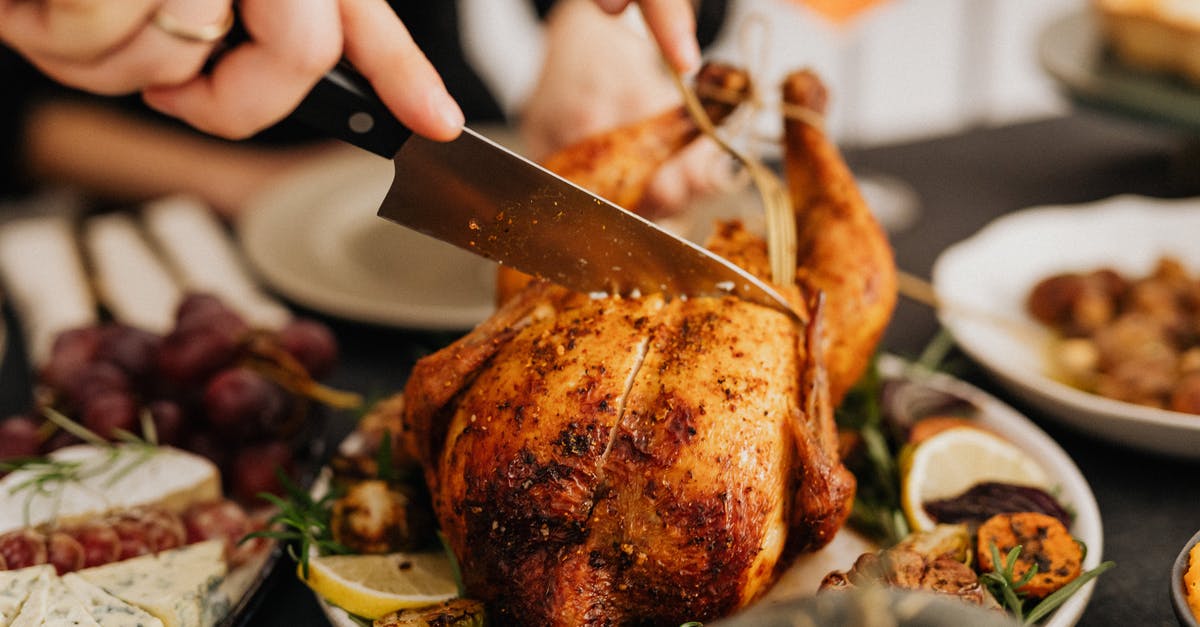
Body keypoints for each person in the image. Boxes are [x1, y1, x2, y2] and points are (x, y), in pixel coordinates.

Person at [0, 0, 701, 144]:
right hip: (155, 181)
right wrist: (247, 190)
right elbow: (17, 118)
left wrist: (601, 22)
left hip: (446, 113)